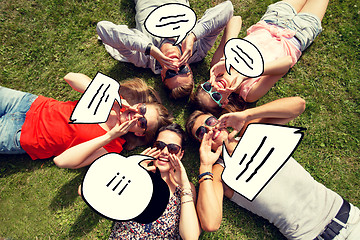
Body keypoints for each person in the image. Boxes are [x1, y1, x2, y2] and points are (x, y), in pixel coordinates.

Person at [185, 97, 360, 239]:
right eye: (201, 132)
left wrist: (247, 115)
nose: (209, 129)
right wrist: (205, 165)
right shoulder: (220, 174)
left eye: (210, 121)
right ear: (202, 143)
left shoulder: (254, 132)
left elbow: (298, 105)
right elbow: (210, 223)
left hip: (349, 217)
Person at [0, 73, 173, 169]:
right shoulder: (112, 100)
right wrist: (112, 98)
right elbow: (70, 77)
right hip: (28, 103)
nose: (136, 116)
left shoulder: (112, 146)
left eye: (142, 123)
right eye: (142, 109)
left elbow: (62, 161)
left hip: (20, 134)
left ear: (139, 133)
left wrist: (109, 136)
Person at [192, 0, 329, 115]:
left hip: (273, 19)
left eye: (208, 87)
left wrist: (228, 57)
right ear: (224, 103)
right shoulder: (249, 92)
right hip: (297, 36)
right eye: (216, 96)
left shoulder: (218, 63)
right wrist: (244, 74)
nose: (215, 88)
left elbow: (235, 20)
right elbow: (286, 63)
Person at [96, 0, 234, 99]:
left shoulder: (142, 58)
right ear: (190, 69)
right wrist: (193, 36)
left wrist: (150, 50)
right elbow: (227, 8)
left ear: (162, 76)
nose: (175, 66)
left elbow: (103, 28)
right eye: (182, 70)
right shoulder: (197, 51)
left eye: (171, 74)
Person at [109, 123, 201, 239]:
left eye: (173, 149)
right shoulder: (135, 174)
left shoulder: (185, 188)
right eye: (160, 145)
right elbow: (85, 192)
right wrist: (130, 172)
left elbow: (191, 237)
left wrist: (185, 186)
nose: (165, 152)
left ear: (181, 154)